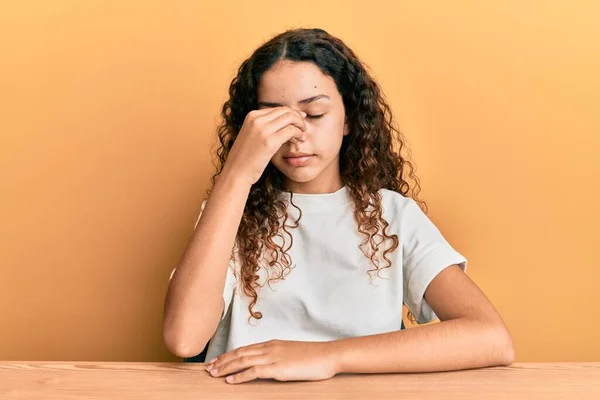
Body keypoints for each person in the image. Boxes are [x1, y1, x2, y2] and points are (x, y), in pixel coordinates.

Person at [162, 28, 514, 385]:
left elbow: (490, 337)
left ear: (348, 119)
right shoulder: (229, 212)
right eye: (273, 120)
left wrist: (326, 356)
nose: (295, 135)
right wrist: (237, 175)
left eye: (314, 114)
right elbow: (183, 337)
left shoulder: (395, 217)